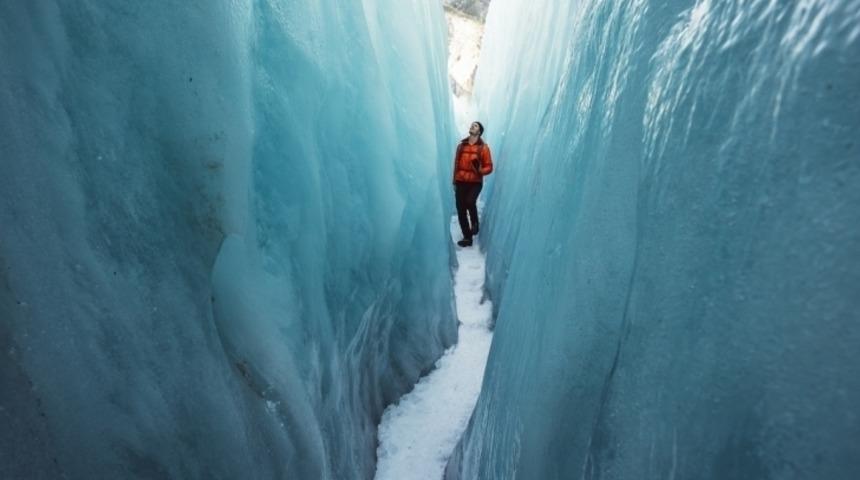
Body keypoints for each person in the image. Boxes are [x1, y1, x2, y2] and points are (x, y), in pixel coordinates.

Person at [452, 121, 493, 247]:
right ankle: (467, 237)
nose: (472, 126)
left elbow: (489, 167)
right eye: (472, 125)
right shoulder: (461, 146)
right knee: (461, 209)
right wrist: (454, 180)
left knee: (470, 201)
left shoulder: (483, 148)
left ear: (479, 132)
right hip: (461, 181)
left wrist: (480, 170)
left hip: (475, 182)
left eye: (475, 126)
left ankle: (475, 223)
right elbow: (456, 164)